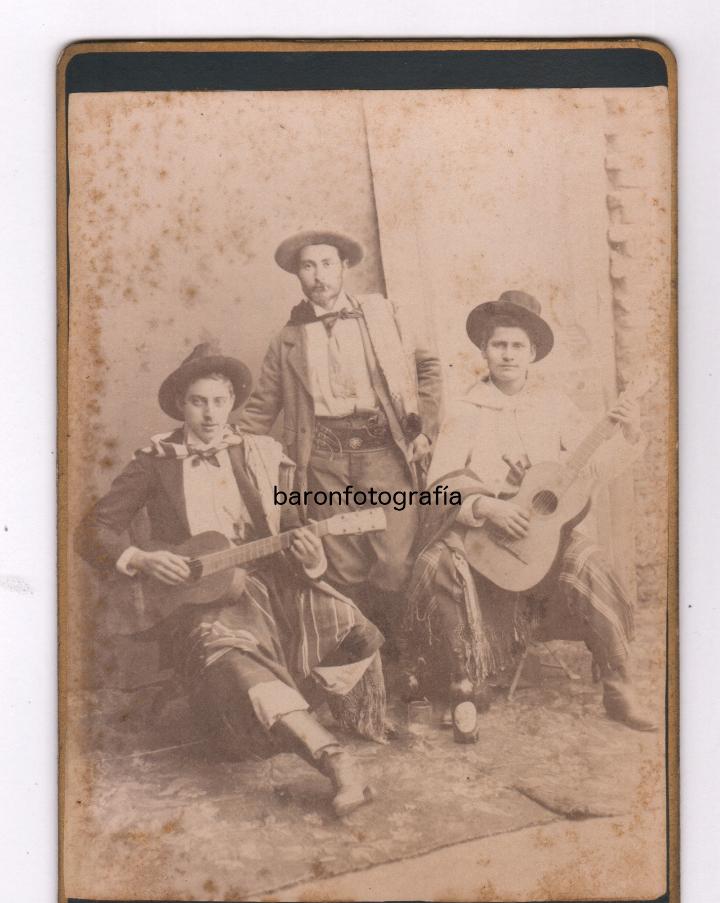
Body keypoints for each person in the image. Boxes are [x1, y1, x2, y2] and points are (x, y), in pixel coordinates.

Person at [75, 343, 387, 816]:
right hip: (201, 595)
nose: (209, 413)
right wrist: (143, 557)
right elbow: (93, 529)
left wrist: (313, 557)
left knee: (356, 629)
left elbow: (294, 527)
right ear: (181, 404)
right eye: (198, 401)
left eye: (219, 401)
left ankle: (280, 715)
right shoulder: (156, 460)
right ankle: (336, 761)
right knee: (236, 658)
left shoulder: (259, 455)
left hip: (270, 582)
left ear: (231, 402)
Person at [405, 290, 657, 739]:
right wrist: (486, 507)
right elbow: (437, 486)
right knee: (438, 564)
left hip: (543, 539)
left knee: (591, 561)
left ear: (533, 353)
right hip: (485, 536)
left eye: (517, 346)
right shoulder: (465, 410)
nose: (507, 354)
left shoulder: (555, 406)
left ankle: (619, 686)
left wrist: (631, 429)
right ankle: (465, 682)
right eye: (499, 344)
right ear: (484, 350)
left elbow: (593, 465)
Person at [236, 228, 443, 637]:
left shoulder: (384, 317)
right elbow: (260, 409)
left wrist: (425, 429)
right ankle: (364, 661)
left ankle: (403, 657)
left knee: (394, 560)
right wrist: (230, 451)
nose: (319, 275)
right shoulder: (287, 340)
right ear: (298, 274)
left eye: (327, 263)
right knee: (342, 563)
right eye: (308, 266)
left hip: (383, 451)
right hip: (324, 459)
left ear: (344, 267)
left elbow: (429, 369)